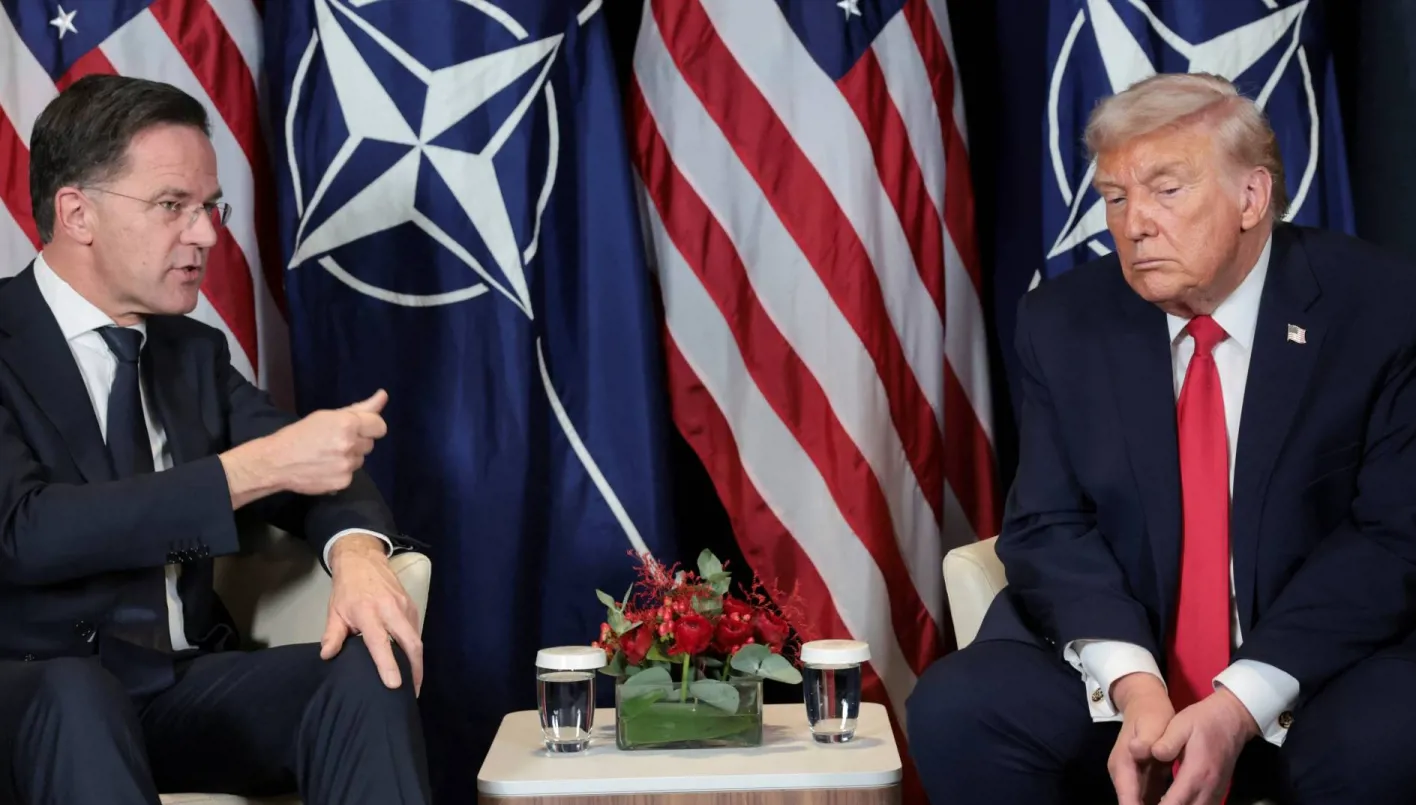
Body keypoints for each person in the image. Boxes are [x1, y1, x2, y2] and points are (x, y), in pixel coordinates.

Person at [907, 72, 1416, 805]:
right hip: (1127, 660)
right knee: (960, 707)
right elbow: (1048, 524)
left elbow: (1392, 537)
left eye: (1166, 190)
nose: (1134, 224)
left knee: (1386, 741)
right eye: (1115, 198)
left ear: (1252, 198)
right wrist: (1133, 685)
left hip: (1318, 668)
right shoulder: (1064, 321)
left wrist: (1238, 703)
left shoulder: (1383, 307)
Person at [0, 75, 429, 804]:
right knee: (78, 696)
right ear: (77, 213)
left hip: (176, 687)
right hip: (34, 695)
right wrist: (244, 472)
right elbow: (25, 531)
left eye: (208, 207)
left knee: (365, 671)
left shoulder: (191, 353)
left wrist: (357, 551)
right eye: (173, 205)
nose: (205, 234)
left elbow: (310, 461)